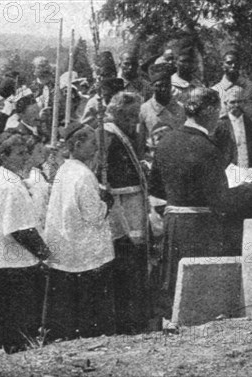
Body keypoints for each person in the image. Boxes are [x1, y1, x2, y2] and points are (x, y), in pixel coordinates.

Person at [149, 87, 250, 330]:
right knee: (197, 295)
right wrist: (246, 191)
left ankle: (170, 325)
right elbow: (221, 200)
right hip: (201, 227)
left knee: (173, 284)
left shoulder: (166, 142)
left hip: (174, 224)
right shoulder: (207, 149)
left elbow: (156, 187)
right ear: (212, 111)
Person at [0, 132, 51, 353]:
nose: (25, 157)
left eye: (26, 152)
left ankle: (10, 343)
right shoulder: (9, 185)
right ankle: (15, 345)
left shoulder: (5, 177)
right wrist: (44, 253)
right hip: (10, 256)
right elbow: (19, 229)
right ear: (4, 157)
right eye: (19, 153)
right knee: (15, 306)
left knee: (6, 307)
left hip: (2, 254)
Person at [42, 124, 116, 341]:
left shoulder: (64, 169)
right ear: (77, 144)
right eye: (92, 143)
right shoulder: (83, 175)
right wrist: (107, 201)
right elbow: (94, 215)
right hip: (84, 246)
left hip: (66, 241)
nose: (96, 149)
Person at [100, 92, 151, 334]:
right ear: (117, 114)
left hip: (131, 213)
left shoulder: (122, 134)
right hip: (122, 219)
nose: (134, 121)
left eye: (136, 116)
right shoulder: (109, 136)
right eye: (129, 116)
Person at [137, 63, 185, 161]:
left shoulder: (181, 108)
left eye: (167, 85)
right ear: (151, 86)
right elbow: (140, 144)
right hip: (153, 161)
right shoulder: (143, 110)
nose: (163, 89)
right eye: (159, 86)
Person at [211, 43, 252, 125]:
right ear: (222, 65)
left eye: (236, 62)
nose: (233, 66)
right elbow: (212, 121)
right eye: (229, 63)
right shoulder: (214, 91)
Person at [171, 40, 204, 106]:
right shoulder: (169, 86)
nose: (187, 65)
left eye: (190, 61)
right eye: (184, 61)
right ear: (175, 63)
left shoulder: (198, 84)